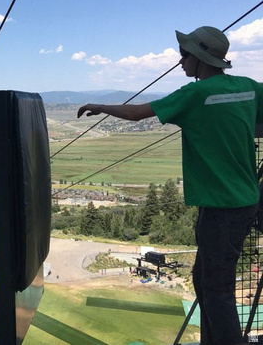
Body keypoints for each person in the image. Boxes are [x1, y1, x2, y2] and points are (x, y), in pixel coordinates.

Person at [77, 26, 263, 345]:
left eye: (184, 54)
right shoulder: (248, 88)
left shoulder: (194, 94)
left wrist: (102, 106)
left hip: (221, 207)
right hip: (244, 200)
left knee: (217, 290)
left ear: (200, 58)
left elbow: (136, 113)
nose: (181, 61)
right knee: (203, 280)